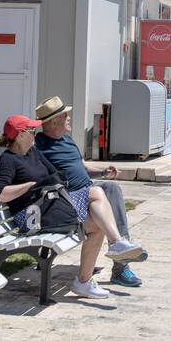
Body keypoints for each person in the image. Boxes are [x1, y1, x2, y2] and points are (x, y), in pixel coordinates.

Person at [0, 112, 137, 300]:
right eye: (32, 131)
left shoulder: (32, 153)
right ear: (20, 135)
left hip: (48, 207)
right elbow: (1, 194)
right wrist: (29, 186)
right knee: (96, 194)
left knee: (97, 222)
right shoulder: (9, 159)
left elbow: (55, 174)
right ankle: (116, 244)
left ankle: (85, 281)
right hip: (31, 217)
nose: (35, 134)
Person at [33, 97, 148, 288]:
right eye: (65, 115)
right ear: (54, 121)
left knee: (111, 187)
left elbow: (82, 166)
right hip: (70, 198)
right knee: (100, 191)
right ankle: (120, 256)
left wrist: (103, 172)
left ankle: (120, 253)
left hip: (87, 189)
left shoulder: (67, 140)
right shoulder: (41, 146)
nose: (69, 118)